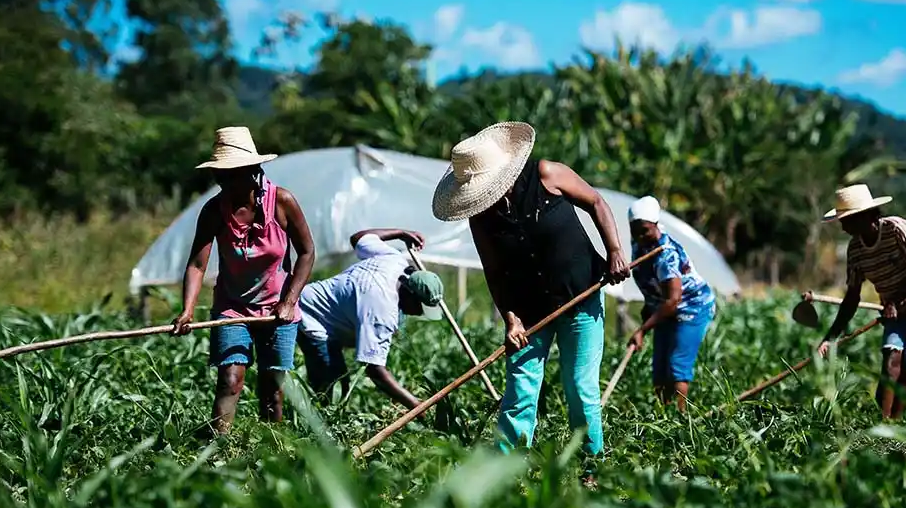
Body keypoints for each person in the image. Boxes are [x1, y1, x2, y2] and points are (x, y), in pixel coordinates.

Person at [431, 121, 629, 481]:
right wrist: (511, 318)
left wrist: (614, 251)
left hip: (579, 297)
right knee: (520, 392)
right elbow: (494, 271)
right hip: (528, 312)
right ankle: (506, 472)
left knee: (580, 387)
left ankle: (591, 466)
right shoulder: (481, 217)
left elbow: (596, 202)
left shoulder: (547, 174)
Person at [171, 126, 315, 435]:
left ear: (251, 170)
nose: (222, 181)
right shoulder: (214, 211)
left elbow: (306, 252)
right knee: (230, 380)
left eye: (230, 173)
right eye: (219, 174)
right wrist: (187, 310)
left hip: (277, 310)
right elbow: (197, 264)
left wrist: (289, 301)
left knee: (272, 389)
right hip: (232, 307)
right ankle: (218, 447)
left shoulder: (282, 202)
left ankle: (270, 449)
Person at [296, 228, 446, 410]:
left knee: (339, 387)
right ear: (409, 294)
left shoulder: (394, 260)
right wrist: (416, 405)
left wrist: (399, 233)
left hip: (319, 303)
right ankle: (312, 423)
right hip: (312, 317)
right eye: (419, 308)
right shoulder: (381, 310)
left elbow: (358, 238)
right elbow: (373, 368)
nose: (418, 314)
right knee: (330, 390)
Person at [817, 184, 906, 420]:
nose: (843, 226)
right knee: (891, 360)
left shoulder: (896, 228)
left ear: (865, 216)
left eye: (847, 220)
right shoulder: (856, 249)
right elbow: (852, 297)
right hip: (898, 312)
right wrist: (830, 337)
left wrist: (898, 299)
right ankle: (884, 427)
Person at [626, 196, 716, 413]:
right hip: (665, 309)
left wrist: (642, 330)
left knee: (677, 366)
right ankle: (663, 416)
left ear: (656, 225)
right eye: (635, 231)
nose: (639, 236)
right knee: (660, 368)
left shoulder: (666, 255)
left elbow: (673, 300)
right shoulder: (639, 245)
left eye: (645, 231)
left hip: (692, 307)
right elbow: (654, 287)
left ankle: (680, 419)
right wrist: (648, 313)